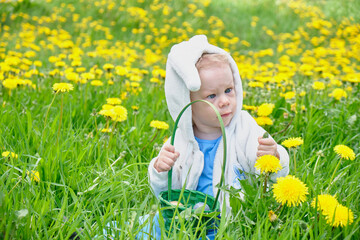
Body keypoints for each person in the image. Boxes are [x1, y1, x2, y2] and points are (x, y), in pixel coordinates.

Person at [147, 35, 289, 238]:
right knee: (154, 225)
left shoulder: (244, 127)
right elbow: (168, 192)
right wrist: (161, 169)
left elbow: (269, 174)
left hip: (230, 219)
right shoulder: (181, 138)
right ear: (187, 104)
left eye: (228, 90)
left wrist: (271, 156)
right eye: (212, 96)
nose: (224, 101)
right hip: (187, 218)